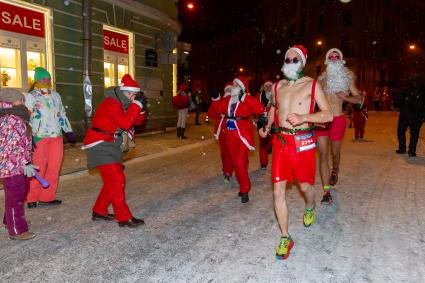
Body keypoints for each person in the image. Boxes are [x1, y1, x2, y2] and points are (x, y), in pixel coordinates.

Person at [259, 45, 332, 260]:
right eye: (287, 60)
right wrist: (266, 126)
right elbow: (273, 109)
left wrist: (304, 118)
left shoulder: (311, 85)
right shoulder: (278, 86)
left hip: (302, 142)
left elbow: (328, 115)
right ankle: (285, 237)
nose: (290, 63)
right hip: (281, 141)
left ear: (302, 62)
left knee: (305, 186)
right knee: (278, 191)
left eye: (294, 60)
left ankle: (310, 206)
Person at [83, 74, 146, 228]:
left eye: (135, 96)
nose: (133, 97)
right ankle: (124, 218)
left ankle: (99, 211)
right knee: (117, 180)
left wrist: (142, 108)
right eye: (132, 95)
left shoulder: (123, 103)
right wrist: (136, 105)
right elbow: (125, 123)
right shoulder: (111, 103)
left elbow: (136, 121)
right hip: (99, 144)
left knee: (113, 180)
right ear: (125, 92)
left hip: (110, 144)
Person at [209, 76, 267, 203]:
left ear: (241, 86)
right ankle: (240, 182)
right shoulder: (228, 99)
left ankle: (245, 189)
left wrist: (244, 97)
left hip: (242, 135)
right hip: (229, 135)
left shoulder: (247, 99)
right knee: (235, 161)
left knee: (239, 161)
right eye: (233, 84)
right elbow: (218, 108)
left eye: (236, 84)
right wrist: (215, 98)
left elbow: (260, 108)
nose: (233, 86)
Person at [316, 48, 363, 205]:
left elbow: (359, 99)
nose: (334, 58)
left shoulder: (347, 78)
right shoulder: (321, 80)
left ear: (341, 59)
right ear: (327, 59)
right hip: (322, 121)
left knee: (334, 153)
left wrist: (346, 97)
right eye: (331, 56)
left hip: (337, 119)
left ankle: (335, 168)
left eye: (337, 56)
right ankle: (326, 192)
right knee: (323, 156)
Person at [25, 67, 76, 208]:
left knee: (54, 167)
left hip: (56, 136)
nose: (46, 81)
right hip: (39, 136)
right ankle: (32, 198)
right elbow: (26, 118)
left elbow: (62, 114)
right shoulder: (31, 97)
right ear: (37, 80)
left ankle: (47, 197)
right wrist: (28, 137)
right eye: (43, 78)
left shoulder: (56, 96)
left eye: (48, 78)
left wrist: (68, 130)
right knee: (38, 168)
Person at [0, 88, 36, 240]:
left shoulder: (17, 117)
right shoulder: (10, 120)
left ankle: (10, 220)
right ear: (9, 103)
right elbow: (12, 146)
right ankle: (17, 230)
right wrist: (25, 162)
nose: (23, 102)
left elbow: (22, 141)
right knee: (16, 195)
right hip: (11, 165)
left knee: (19, 193)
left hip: (17, 164)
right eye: (20, 100)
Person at [208, 82, 234, 183]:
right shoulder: (221, 101)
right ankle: (226, 167)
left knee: (230, 151)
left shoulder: (236, 101)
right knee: (224, 152)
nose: (228, 91)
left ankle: (228, 171)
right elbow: (212, 112)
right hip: (221, 130)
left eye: (230, 89)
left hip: (232, 130)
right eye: (226, 89)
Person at [394, 74, 425, 157]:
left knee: (403, 132)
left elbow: (398, 101)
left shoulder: (406, 90)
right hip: (413, 116)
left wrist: (397, 104)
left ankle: (405, 148)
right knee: (412, 133)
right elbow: (398, 101)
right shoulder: (407, 90)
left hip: (409, 116)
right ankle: (410, 150)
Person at [256, 80, 274, 170]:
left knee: (273, 139)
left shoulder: (276, 95)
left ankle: (270, 146)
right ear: (263, 87)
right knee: (263, 142)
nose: (268, 87)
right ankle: (263, 163)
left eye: (270, 85)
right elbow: (253, 107)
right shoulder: (258, 96)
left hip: (273, 121)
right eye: (266, 86)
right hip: (262, 121)